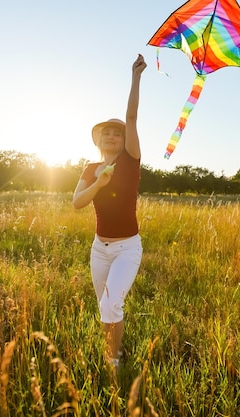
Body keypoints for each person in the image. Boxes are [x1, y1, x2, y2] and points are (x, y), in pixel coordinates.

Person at [72, 54, 147, 369]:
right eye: (107, 133)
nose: (113, 136)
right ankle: (112, 350)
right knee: (108, 306)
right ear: (99, 140)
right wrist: (99, 184)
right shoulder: (90, 168)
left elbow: (131, 118)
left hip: (127, 248)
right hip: (99, 250)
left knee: (110, 303)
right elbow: (77, 202)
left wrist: (136, 77)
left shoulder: (130, 160)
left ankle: (112, 360)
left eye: (117, 133)